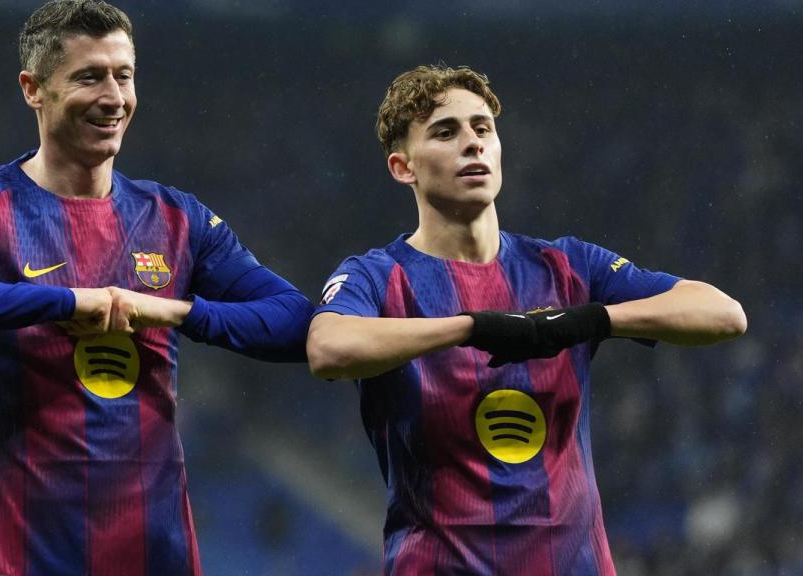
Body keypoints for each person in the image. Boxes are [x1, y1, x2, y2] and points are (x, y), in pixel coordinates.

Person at [0, 1, 311, 574]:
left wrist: (174, 312)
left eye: (123, 76)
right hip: (13, 554)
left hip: (155, 554)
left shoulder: (178, 218)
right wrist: (67, 302)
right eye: (88, 76)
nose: (113, 96)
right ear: (33, 89)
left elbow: (297, 321)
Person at [306, 65, 747, 575]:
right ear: (403, 168)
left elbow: (723, 314)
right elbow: (329, 348)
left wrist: (586, 320)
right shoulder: (378, 275)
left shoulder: (567, 265)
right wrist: (476, 327)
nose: (472, 144)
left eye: (483, 128)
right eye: (446, 132)